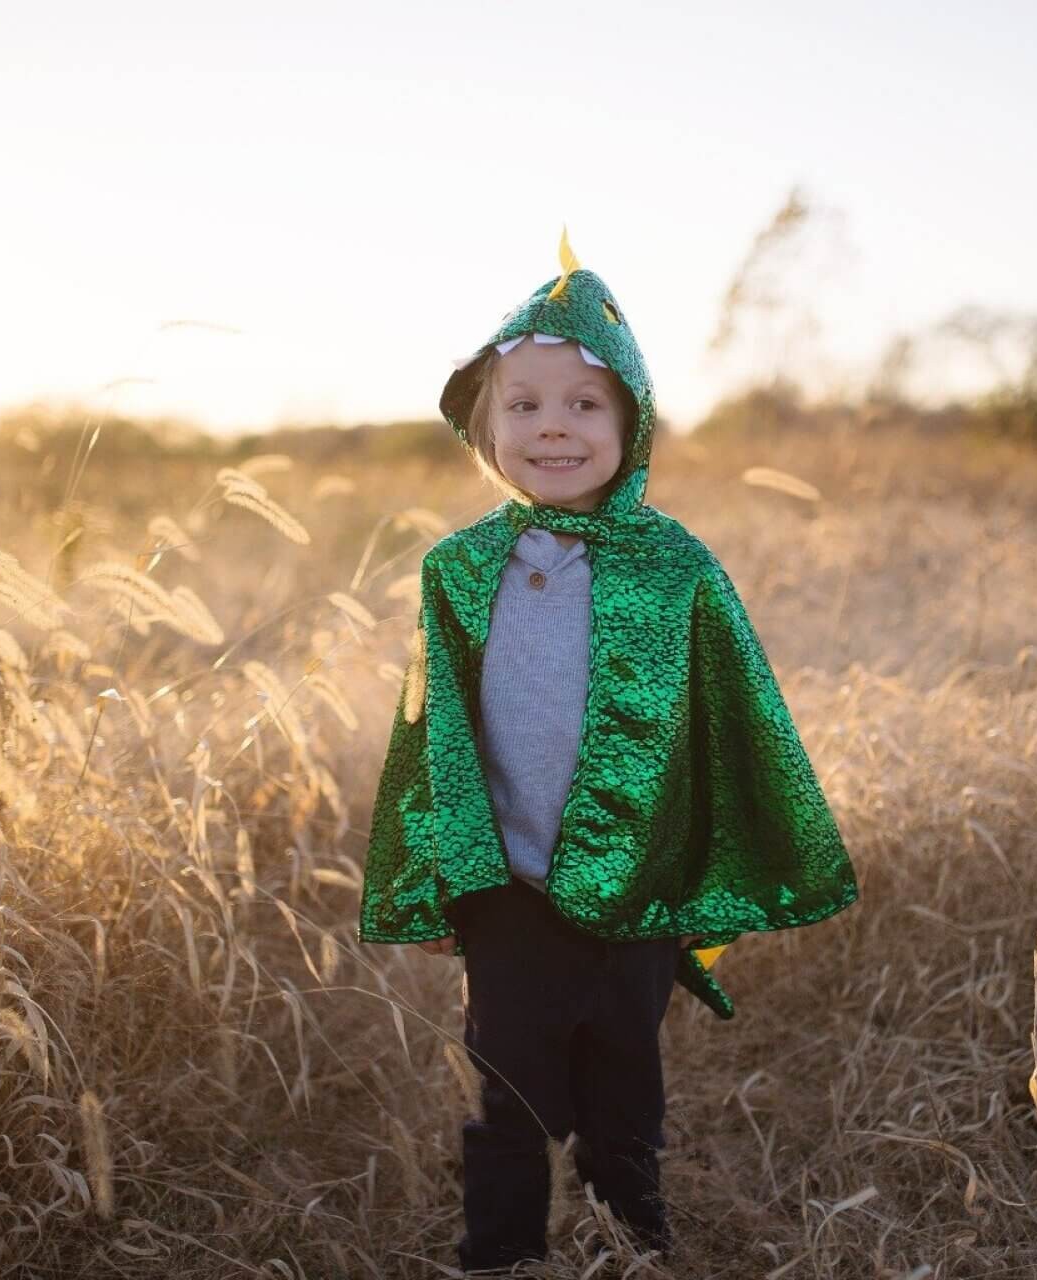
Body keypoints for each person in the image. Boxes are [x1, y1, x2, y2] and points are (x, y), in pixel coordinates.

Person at [358, 228, 859, 1272]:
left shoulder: (671, 563)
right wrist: (451, 873)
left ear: (630, 423)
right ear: (482, 427)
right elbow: (436, 734)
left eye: (585, 404)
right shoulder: (457, 569)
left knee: (623, 1076)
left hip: (640, 881)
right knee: (508, 1083)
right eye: (524, 405)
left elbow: (735, 713)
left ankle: (631, 1242)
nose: (553, 427)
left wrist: (717, 862)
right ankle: (497, 1251)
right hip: (509, 881)